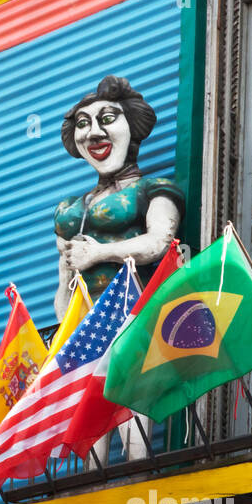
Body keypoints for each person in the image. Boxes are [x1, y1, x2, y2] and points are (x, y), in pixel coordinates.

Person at [54, 75, 184, 320]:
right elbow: (66, 276)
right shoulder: (68, 208)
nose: (93, 133)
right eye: (83, 123)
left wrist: (98, 253)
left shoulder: (153, 189)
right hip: (85, 328)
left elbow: (160, 242)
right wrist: (63, 326)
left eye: (107, 119)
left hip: (135, 319)